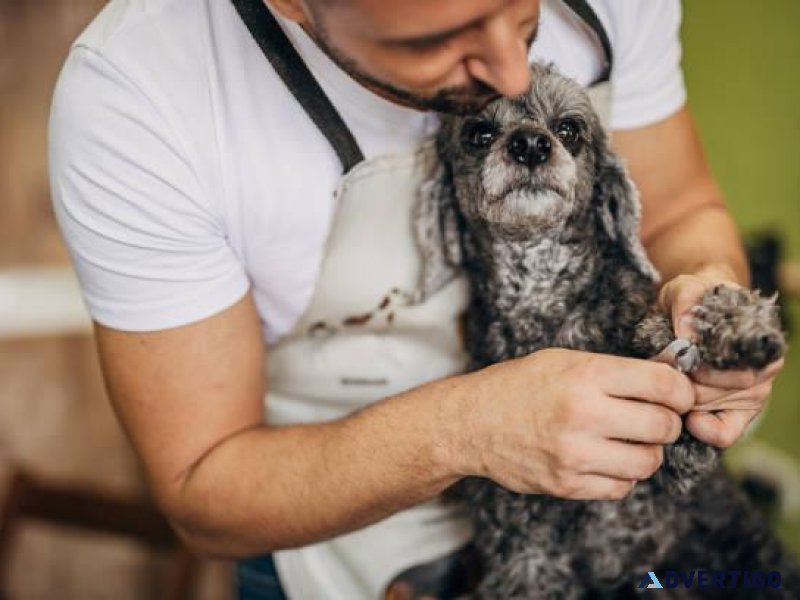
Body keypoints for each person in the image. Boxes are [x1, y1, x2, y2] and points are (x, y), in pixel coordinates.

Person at [49, 0, 785, 597]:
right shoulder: (141, 95)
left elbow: (679, 211)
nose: (510, 68)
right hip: (342, 549)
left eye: (525, 14)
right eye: (442, 38)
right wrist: (468, 428)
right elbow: (202, 493)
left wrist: (710, 289)